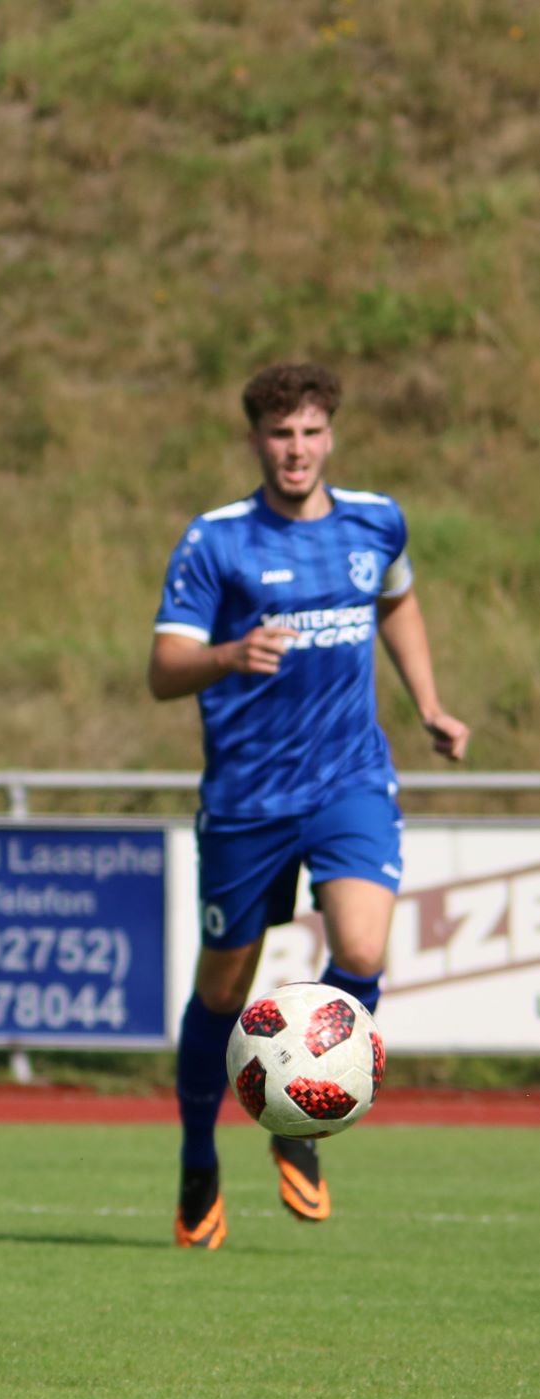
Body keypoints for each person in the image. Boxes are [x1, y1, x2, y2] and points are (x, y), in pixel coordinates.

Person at [149, 361, 468, 1249]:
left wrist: (428, 704)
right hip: (247, 798)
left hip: (348, 780)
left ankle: (299, 1117)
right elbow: (162, 670)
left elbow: (396, 601)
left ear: (331, 433)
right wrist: (228, 654)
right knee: (223, 987)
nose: (297, 449)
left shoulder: (375, 520)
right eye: (280, 434)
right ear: (256, 440)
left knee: (361, 949)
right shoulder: (215, 541)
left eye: (310, 432)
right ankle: (197, 1157)